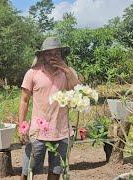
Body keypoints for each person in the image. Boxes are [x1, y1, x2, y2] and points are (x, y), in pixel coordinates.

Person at [18, 37, 81, 180]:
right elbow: (24, 100)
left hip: (62, 131)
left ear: (62, 55)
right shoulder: (32, 73)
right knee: (28, 170)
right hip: (37, 132)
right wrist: (21, 127)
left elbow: (78, 92)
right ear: (42, 56)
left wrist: (65, 68)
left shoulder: (68, 72)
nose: (53, 57)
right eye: (49, 53)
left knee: (56, 171)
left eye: (56, 53)